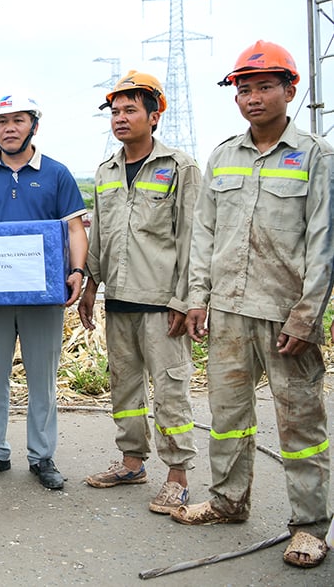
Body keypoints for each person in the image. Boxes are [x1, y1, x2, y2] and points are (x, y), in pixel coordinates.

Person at [171, 41, 334, 570]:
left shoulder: (316, 155)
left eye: (265, 86)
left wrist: (308, 317)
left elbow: (323, 242)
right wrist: (197, 299)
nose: (253, 97)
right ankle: (227, 500)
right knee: (228, 417)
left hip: (286, 315)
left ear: (291, 89)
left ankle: (309, 526)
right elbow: (204, 235)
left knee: (300, 426)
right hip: (230, 314)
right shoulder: (223, 155)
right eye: (244, 88)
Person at [77, 71, 199, 513]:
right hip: (119, 300)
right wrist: (91, 285)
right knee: (124, 388)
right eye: (115, 111)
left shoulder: (180, 168)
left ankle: (177, 476)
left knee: (170, 389)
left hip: (162, 302)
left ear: (154, 115)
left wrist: (185, 300)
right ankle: (132, 461)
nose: (120, 118)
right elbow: (101, 235)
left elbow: (192, 239)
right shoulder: (106, 171)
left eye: (130, 110)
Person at [0, 93, 87, 490]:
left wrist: (77, 270)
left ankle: (42, 456)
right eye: (1, 122)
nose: (9, 128)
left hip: (43, 297)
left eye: (17, 120)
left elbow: (74, 228)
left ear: (34, 125)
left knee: (42, 379)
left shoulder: (56, 173)